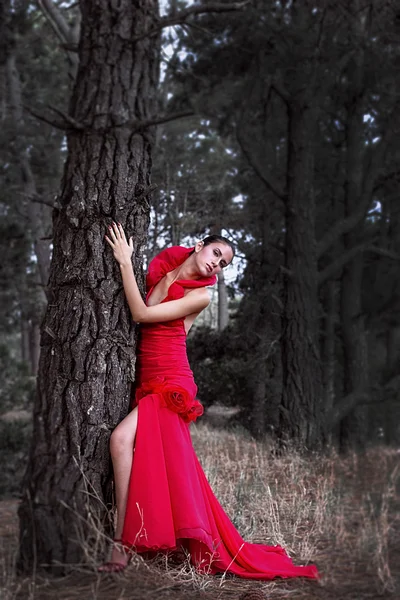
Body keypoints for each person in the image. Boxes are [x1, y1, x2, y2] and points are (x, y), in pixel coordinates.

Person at [99, 221, 319, 581]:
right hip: (149, 377)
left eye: (224, 263)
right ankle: (149, 533)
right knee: (168, 465)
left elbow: (140, 314)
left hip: (171, 382)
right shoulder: (166, 268)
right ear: (200, 245)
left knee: (121, 440)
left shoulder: (201, 295)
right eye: (216, 253)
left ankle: (121, 543)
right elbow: (150, 319)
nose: (217, 264)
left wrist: (124, 262)